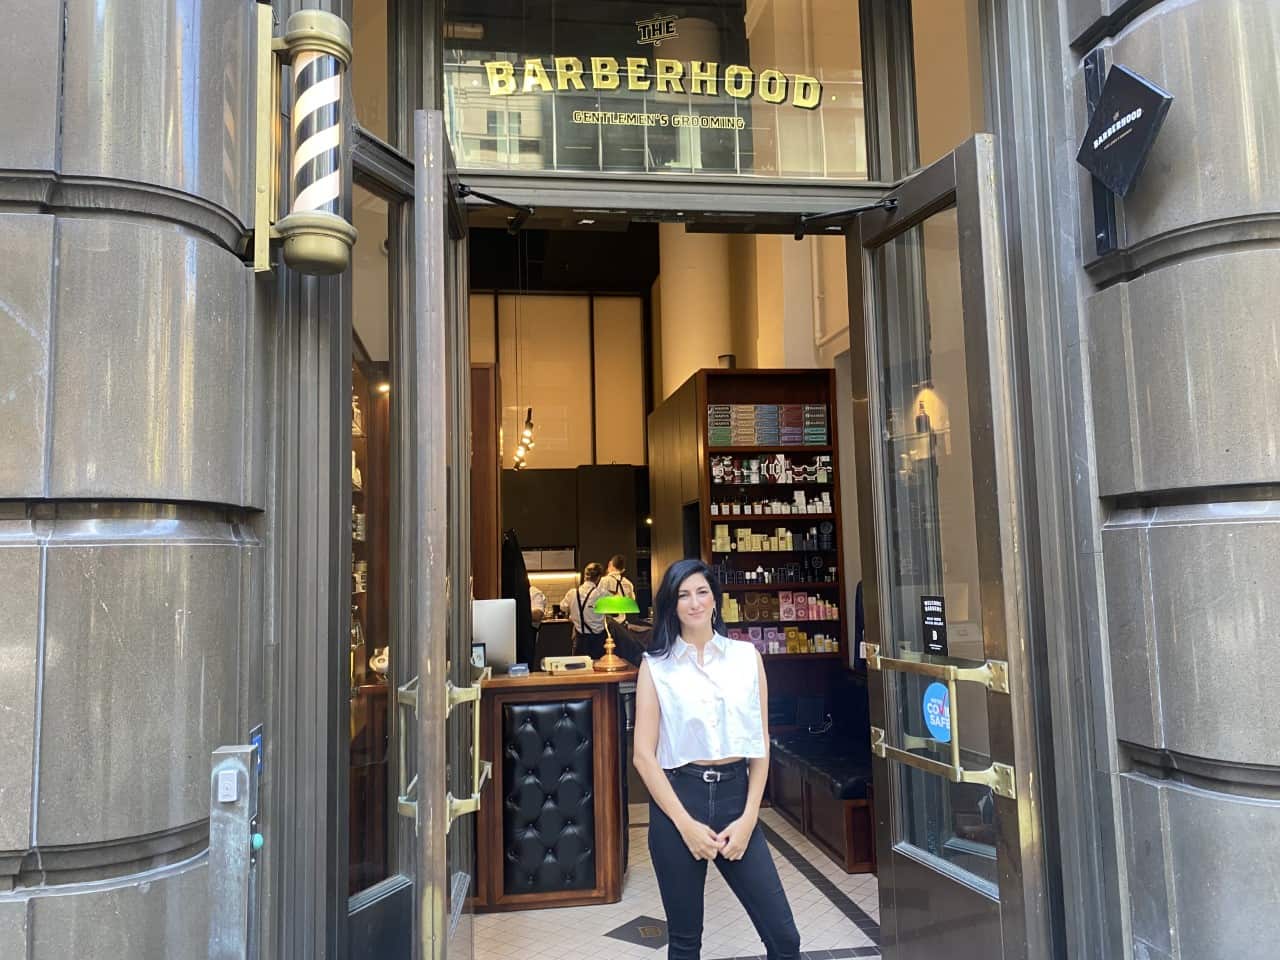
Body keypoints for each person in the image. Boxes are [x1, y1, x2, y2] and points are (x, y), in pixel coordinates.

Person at [632, 559, 801, 960]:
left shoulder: (746, 657)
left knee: (784, 938)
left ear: (715, 599)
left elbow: (760, 744)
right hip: (679, 800)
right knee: (685, 943)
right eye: (683, 595)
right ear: (672, 604)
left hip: (736, 800)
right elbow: (643, 756)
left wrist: (749, 817)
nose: (694, 603)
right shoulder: (656, 666)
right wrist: (685, 825)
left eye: (702, 592)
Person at [560, 562, 608, 659]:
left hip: (580, 641)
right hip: (598, 642)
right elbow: (616, 611)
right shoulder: (602, 594)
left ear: (585, 575)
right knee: (598, 666)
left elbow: (563, 607)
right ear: (599, 577)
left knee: (580, 666)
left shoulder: (572, 593)